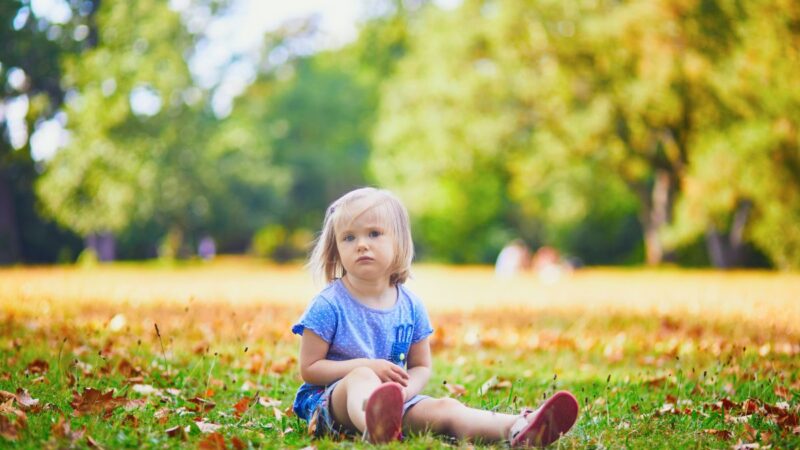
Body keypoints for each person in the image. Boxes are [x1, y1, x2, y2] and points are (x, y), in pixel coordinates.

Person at [291, 187, 579, 446]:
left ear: (399, 242)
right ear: (337, 250)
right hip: (329, 403)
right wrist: (365, 367)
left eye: (374, 234)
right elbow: (310, 368)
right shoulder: (329, 304)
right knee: (361, 377)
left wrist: (403, 394)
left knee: (446, 408)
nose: (361, 244)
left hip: (394, 402)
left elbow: (421, 366)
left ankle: (520, 428)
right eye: (349, 237)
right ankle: (375, 425)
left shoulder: (410, 305)